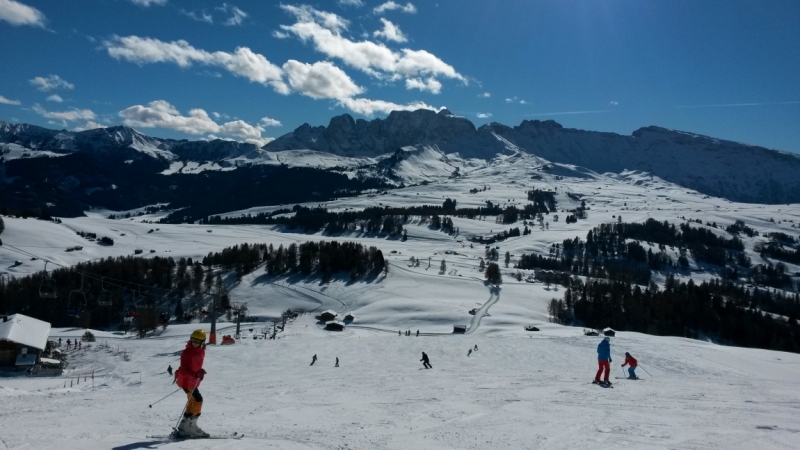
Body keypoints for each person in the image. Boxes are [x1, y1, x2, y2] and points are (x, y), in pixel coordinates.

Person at [175, 329, 209, 438]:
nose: (194, 343)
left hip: (192, 380)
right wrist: (195, 375)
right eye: (193, 340)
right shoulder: (187, 353)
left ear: (202, 342)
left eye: (197, 341)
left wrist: (199, 372)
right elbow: (183, 370)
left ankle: (184, 425)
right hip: (186, 380)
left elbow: (195, 366)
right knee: (198, 400)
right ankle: (191, 426)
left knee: (192, 402)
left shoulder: (200, 351)